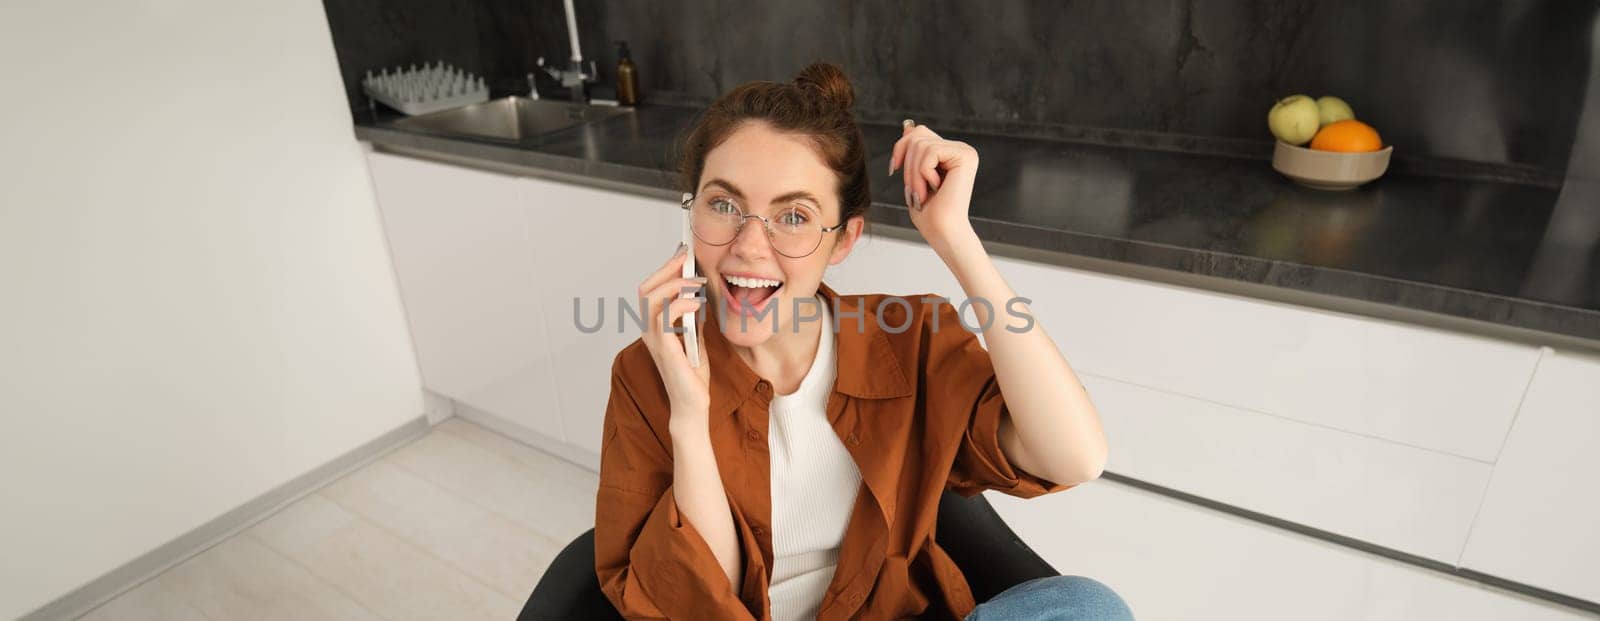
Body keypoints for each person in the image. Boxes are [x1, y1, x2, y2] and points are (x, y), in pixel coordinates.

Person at [593, 60, 1134, 620]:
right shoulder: (646, 373)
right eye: (724, 205)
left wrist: (957, 239)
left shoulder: (908, 340)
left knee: (1089, 606)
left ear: (844, 239)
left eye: (794, 216)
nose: (750, 246)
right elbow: (695, 604)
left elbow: (1076, 457)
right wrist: (688, 414)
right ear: (690, 214)